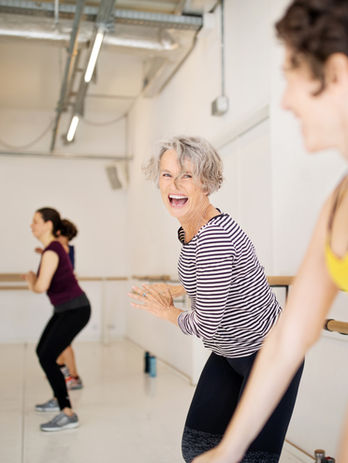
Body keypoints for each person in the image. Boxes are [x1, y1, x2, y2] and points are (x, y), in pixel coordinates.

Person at [192, 1, 348, 461]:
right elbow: (286, 335)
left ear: (335, 74)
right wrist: (228, 451)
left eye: (291, 75)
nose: (284, 100)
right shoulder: (339, 198)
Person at [128, 136, 304, 462]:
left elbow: (205, 323)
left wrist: (165, 311)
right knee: (197, 448)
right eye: (167, 174)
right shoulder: (193, 229)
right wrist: (181, 289)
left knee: (254, 459)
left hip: (271, 356)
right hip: (229, 353)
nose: (174, 184)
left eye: (186, 175)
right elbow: (223, 274)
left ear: (206, 182)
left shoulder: (214, 238)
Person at [24, 207, 91, 432]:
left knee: (46, 356)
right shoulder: (50, 250)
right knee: (43, 352)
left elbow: (41, 287)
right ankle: (58, 397)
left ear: (48, 225)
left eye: (35, 221)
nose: (31, 226)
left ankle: (67, 412)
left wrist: (31, 280)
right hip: (65, 310)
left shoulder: (52, 251)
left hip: (76, 310)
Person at [35, 218, 83, 390]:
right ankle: (61, 371)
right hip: (64, 303)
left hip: (70, 303)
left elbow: (61, 270)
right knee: (60, 343)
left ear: (59, 233)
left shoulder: (60, 248)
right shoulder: (65, 249)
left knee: (64, 343)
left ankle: (74, 376)